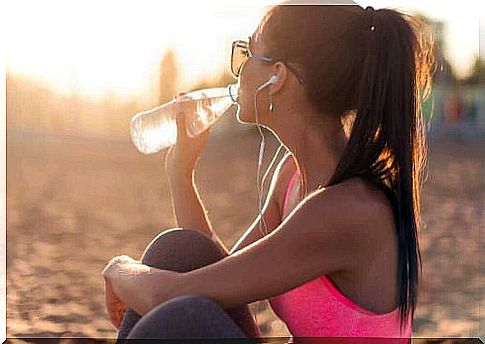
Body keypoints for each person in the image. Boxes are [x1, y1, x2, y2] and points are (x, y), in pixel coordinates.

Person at [102, 1, 435, 343]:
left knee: (179, 318)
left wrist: (118, 269)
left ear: (277, 77)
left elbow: (171, 298)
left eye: (248, 53)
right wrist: (180, 172)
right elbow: (216, 274)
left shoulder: (347, 210)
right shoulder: (292, 175)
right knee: (180, 250)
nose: (239, 69)